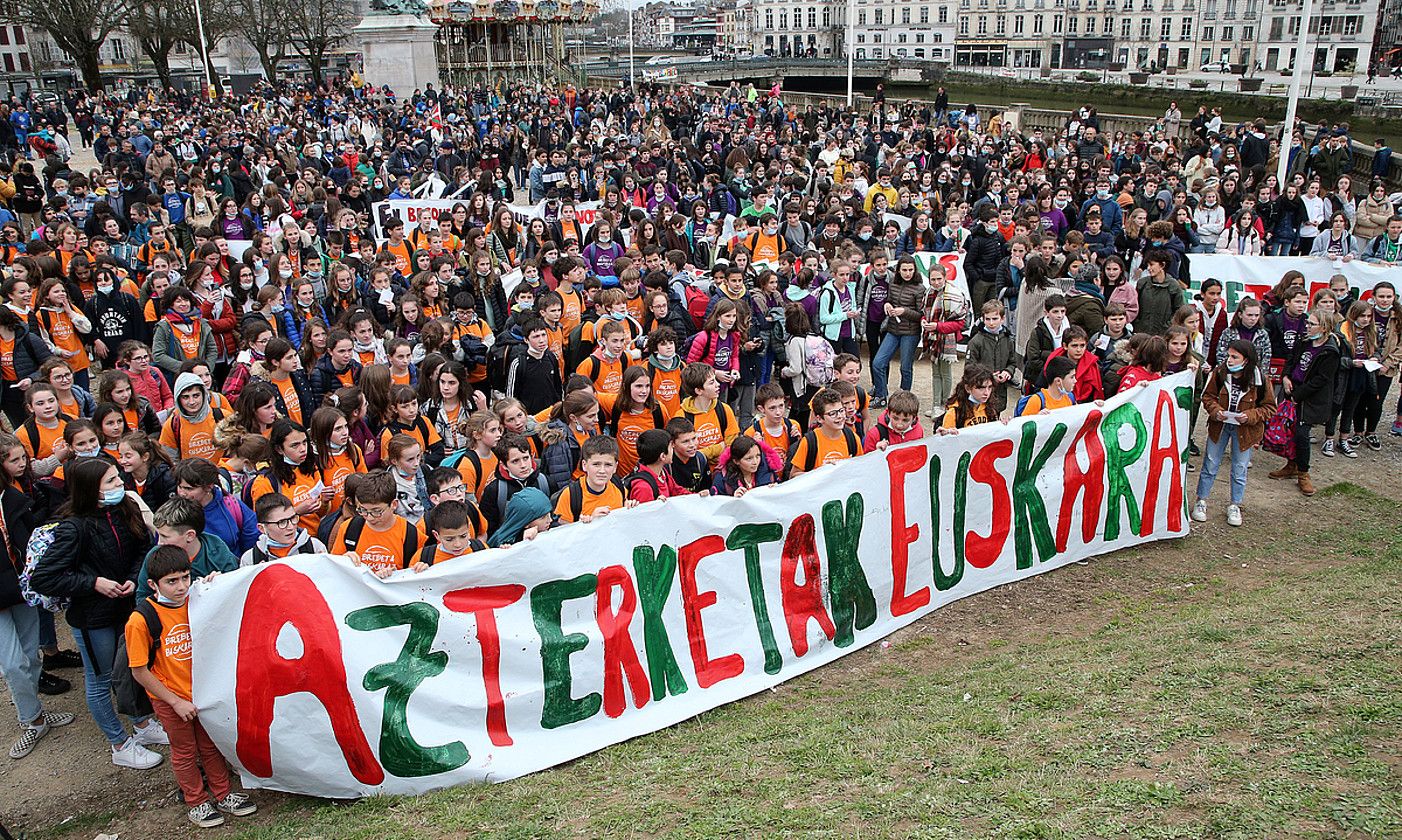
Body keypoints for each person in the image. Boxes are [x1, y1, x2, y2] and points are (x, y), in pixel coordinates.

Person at [28, 457, 166, 770]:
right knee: (101, 679)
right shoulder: (73, 527)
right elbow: (45, 577)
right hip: (94, 618)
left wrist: (134, 575)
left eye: (119, 478)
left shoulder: (124, 510)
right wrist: (94, 583)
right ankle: (119, 743)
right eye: (112, 482)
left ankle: (142, 725)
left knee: (132, 668)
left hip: (126, 608)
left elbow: (143, 546)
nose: (121, 486)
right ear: (92, 490)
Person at [126, 545, 258, 828]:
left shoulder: (195, 599)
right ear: (153, 584)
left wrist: (213, 584)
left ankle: (223, 794)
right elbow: (139, 670)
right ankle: (196, 801)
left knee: (210, 745)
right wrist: (174, 701)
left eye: (185, 577)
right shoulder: (141, 620)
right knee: (185, 751)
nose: (181, 586)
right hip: (170, 698)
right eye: (171, 581)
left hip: (202, 692)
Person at [0, 432, 76, 760]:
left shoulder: (14, 498)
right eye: (14, 460)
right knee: (13, 663)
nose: (22, 465)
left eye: (23, 459)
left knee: (30, 657)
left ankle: (37, 714)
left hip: (19, 589)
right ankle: (30, 720)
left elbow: (30, 543)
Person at [1193, 340, 1276, 527]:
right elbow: (1208, 396)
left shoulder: (1260, 379)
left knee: (1240, 468)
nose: (1229, 360)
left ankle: (1235, 504)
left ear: (1246, 360)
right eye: (1229, 355)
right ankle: (1201, 500)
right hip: (1220, 426)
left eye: (1234, 357)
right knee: (1210, 463)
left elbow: (1270, 407)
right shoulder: (1220, 373)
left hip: (1245, 431)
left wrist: (1250, 416)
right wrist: (1216, 411)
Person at [1270, 309, 1342, 496]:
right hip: (1291, 388)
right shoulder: (1303, 341)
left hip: (1309, 398)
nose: (1307, 327)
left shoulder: (1331, 351)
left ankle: (1303, 473)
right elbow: (1291, 359)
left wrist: (1297, 395)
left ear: (1324, 327)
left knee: (1302, 434)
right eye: (1308, 323)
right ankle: (1291, 464)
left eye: (1312, 324)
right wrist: (1285, 377)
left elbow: (1321, 380)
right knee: (1290, 430)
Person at [328, 470, 425, 578]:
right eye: (362, 510)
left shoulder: (411, 534)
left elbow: (416, 576)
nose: (369, 517)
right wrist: (343, 560)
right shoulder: (349, 528)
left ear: (393, 504)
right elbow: (332, 570)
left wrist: (419, 568)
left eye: (376, 511)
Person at [172, 458, 260, 556]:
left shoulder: (232, 507)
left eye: (189, 489)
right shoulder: (173, 512)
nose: (182, 493)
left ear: (208, 487)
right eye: (180, 487)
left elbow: (252, 539)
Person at [239, 492, 329, 566]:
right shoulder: (251, 560)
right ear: (262, 528)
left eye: (293, 518)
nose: (291, 527)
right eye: (281, 522)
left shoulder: (315, 547)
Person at [788, 387, 861, 476]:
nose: (839, 416)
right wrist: (820, 472)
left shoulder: (852, 438)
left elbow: (860, 468)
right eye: (832, 413)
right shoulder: (810, 442)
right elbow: (793, 475)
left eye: (841, 411)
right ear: (819, 418)